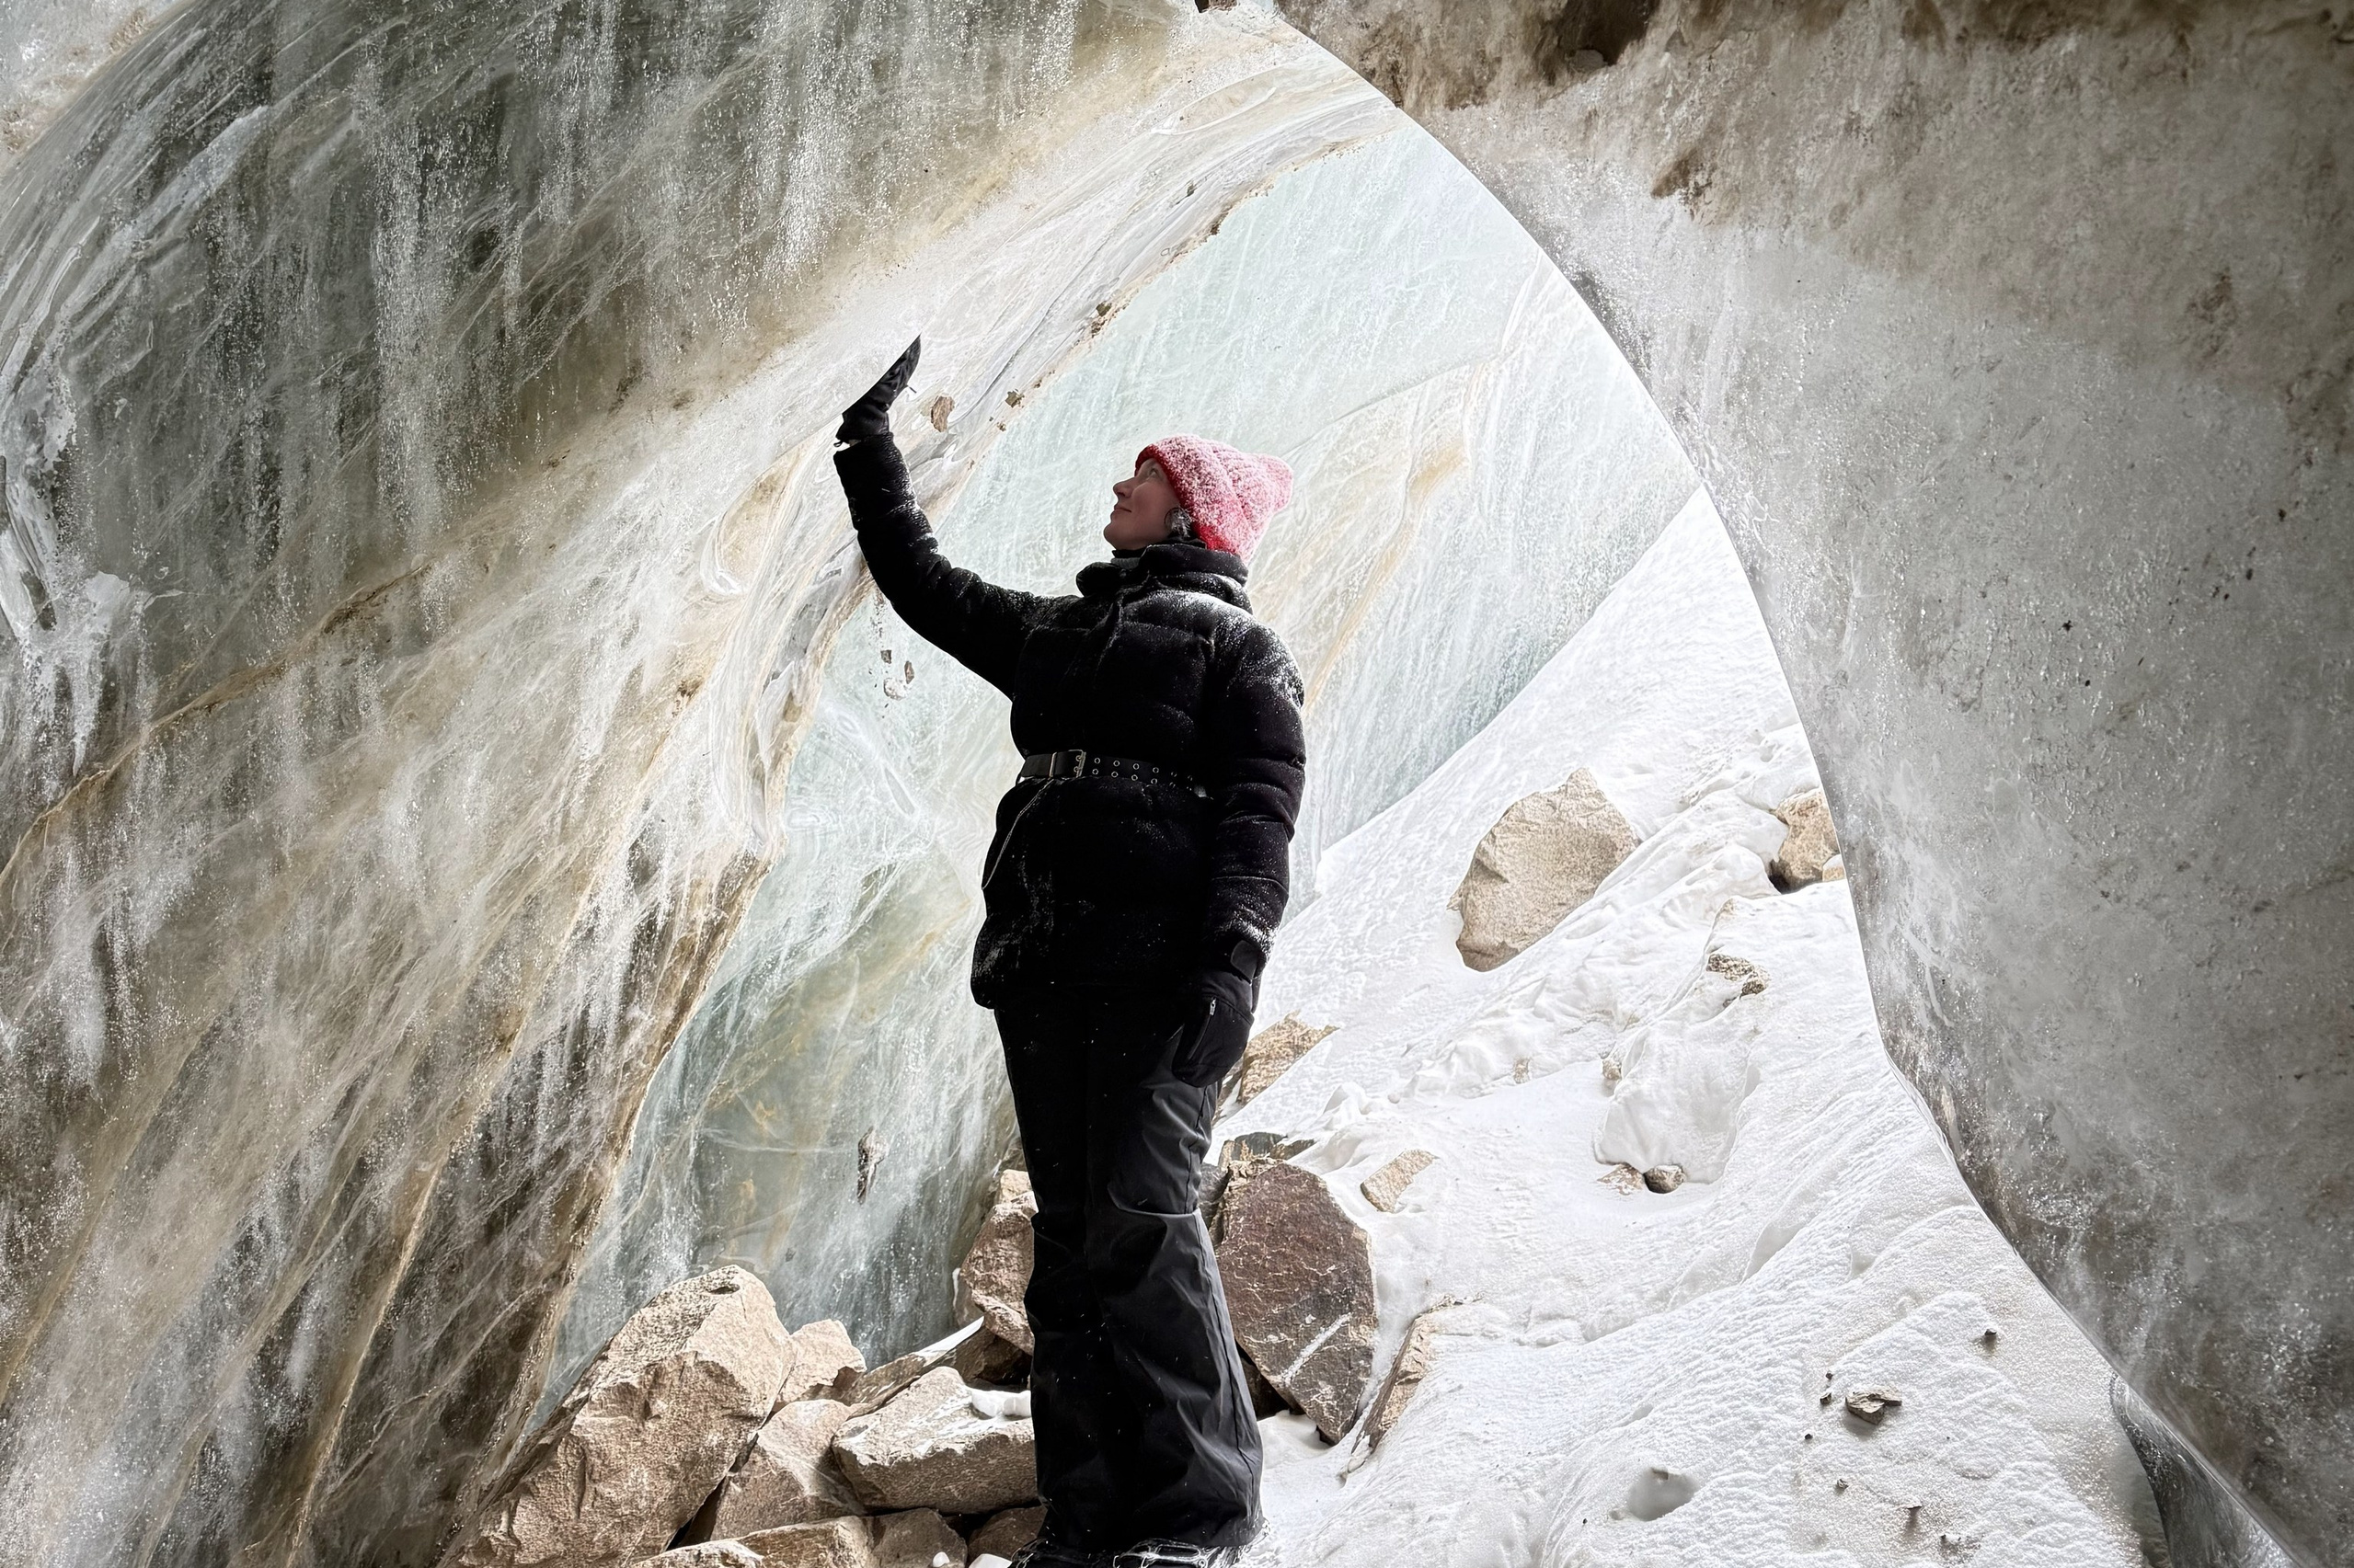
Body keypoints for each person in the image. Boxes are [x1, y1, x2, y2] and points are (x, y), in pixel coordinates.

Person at [832, 340, 1305, 1568]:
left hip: (1160, 985)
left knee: (1145, 1223)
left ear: (1190, 509)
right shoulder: (1065, 630)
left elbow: (1258, 819)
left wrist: (1234, 963)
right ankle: (1088, 1520)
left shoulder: (1241, 654)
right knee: (1070, 1254)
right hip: (1046, 973)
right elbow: (925, 584)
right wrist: (864, 444)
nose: (1118, 486)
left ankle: (1207, 1514)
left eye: (1140, 476)